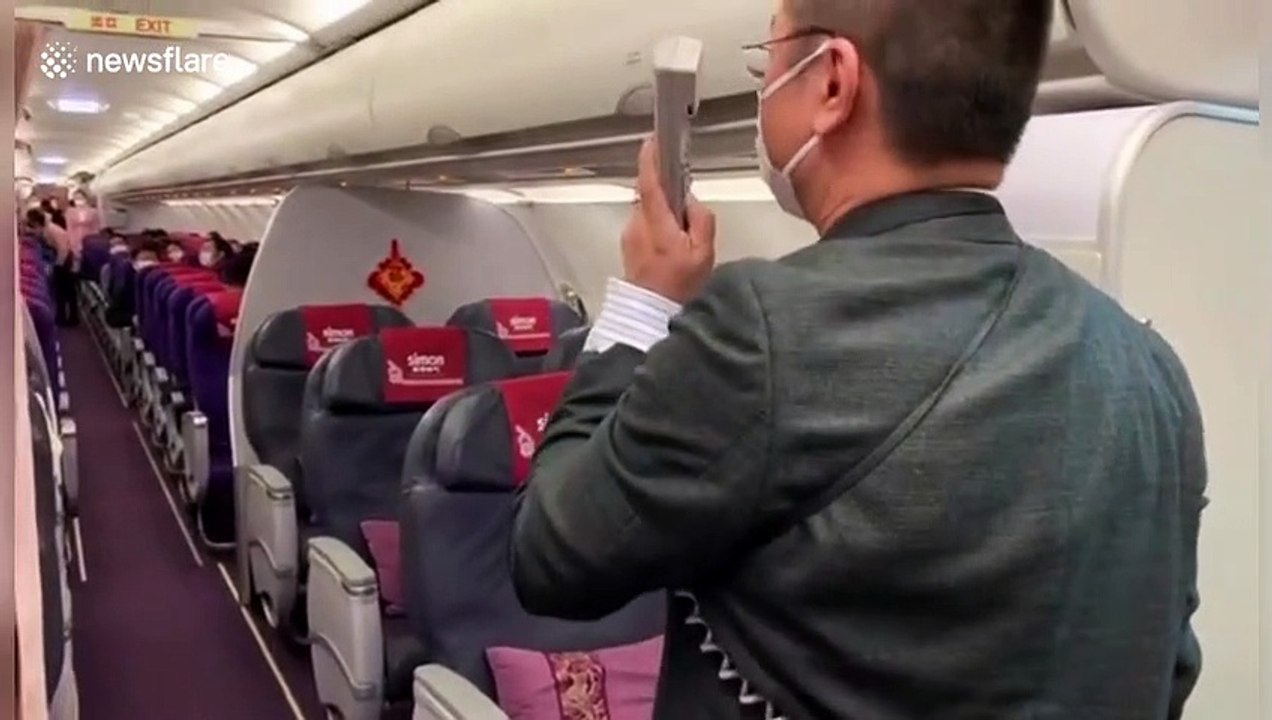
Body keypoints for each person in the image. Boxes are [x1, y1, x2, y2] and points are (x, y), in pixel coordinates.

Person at [510, 2, 1206, 719]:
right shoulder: (1151, 368)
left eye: (768, 59)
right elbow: (1165, 667)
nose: (763, 85)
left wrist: (642, 306)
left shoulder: (762, 331)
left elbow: (552, 557)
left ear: (834, 82)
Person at [30, 207, 81, 326]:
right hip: (62, 259)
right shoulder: (48, 229)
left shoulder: (53, 230)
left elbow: (63, 249)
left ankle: (71, 318)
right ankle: (62, 317)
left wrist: (58, 266)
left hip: (65, 261)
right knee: (64, 292)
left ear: (37, 223)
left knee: (66, 292)